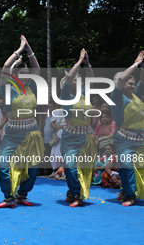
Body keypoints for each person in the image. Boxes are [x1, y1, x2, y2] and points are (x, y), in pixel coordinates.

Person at [0, 35, 44, 208]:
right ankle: (8, 197)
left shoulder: (31, 87)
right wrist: (19, 50)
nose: (25, 77)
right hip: (12, 134)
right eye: (21, 75)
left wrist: (29, 50)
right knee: (2, 163)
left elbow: (37, 69)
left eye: (26, 75)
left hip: (31, 132)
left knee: (32, 167)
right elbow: (5, 67)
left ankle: (22, 194)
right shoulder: (7, 89)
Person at [60, 48, 96, 207]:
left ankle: (74, 194)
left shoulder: (84, 95)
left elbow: (92, 82)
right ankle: (75, 194)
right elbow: (68, 79)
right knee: (70, 166)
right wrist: (79, 61)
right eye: (74, 79)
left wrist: (87, 65)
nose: (76, 81)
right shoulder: (65, 97)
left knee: (83, 168)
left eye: (78, 80)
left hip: (87, 136)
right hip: (70, 137)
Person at [110, 51, 144, 206]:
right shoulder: (117, 97)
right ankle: (130, 195)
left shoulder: (134, 95)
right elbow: (122, 78)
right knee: (127, 166)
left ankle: (125, 191)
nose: (133, 85)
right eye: (130, 83)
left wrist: (143, 66)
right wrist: (136, 63)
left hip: (140, 139)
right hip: (124, 140)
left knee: (130, 168)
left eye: (133, 83)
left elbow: (142, 81)